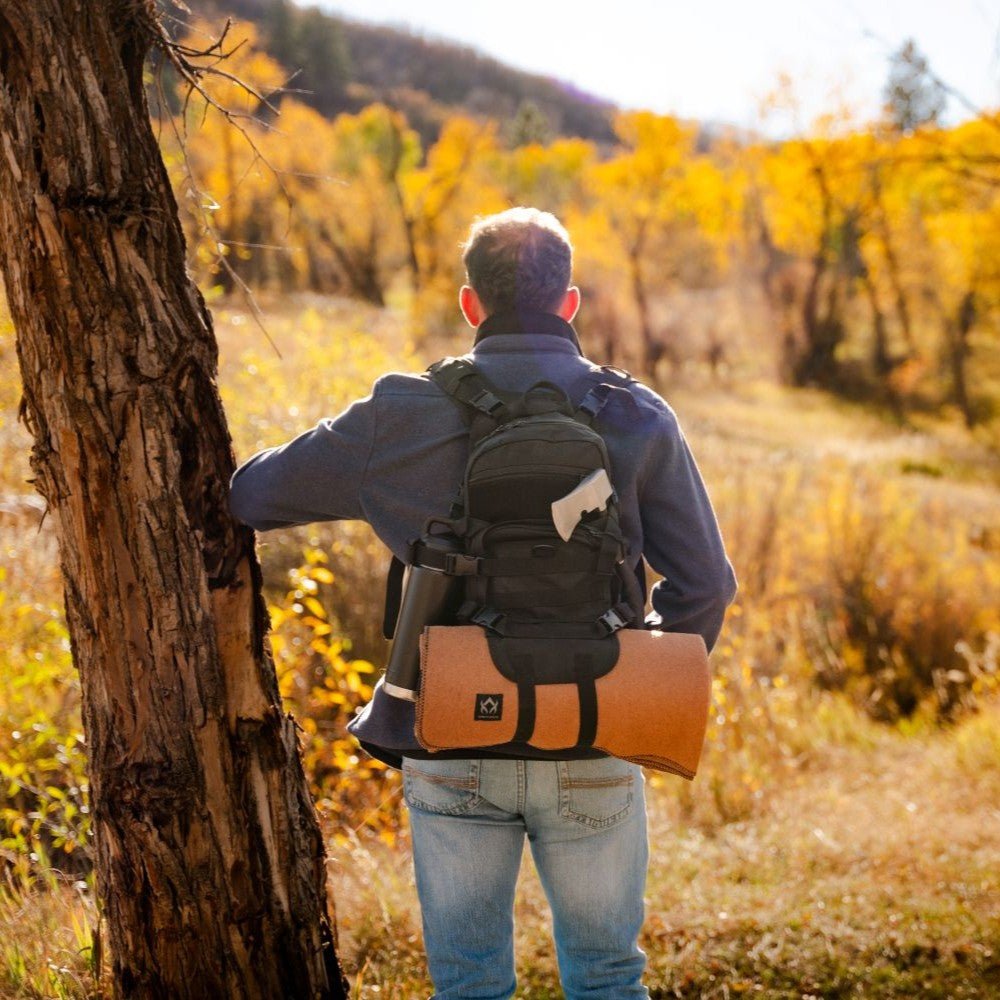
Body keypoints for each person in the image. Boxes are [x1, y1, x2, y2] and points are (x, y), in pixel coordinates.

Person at [229, 206, 737, 999]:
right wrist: (632, 685)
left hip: (454, 731)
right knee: (607, 975)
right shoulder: (637, 414)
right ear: (568, 303)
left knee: (469, 984)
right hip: (596, 731)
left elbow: (252, 496)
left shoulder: (402, 411)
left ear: (472, 304)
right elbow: (708, 584)